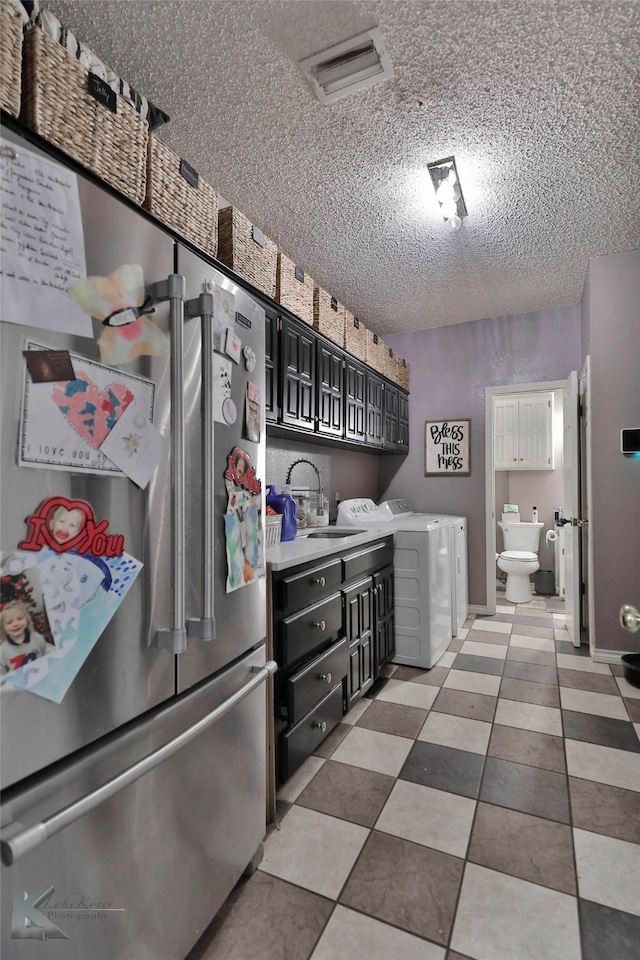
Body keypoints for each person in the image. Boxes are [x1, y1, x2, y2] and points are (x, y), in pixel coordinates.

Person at [0, 601, 48, 675]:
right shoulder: (2, 651)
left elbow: (47, 658)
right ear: (3, 628)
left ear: (27, 619)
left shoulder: (37, 638)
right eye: (9, 622)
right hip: (17, 685)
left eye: (20, 618)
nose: (16, 624)